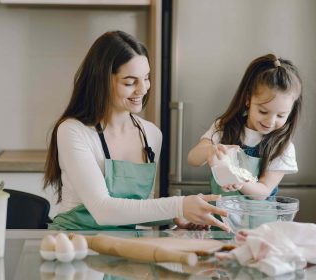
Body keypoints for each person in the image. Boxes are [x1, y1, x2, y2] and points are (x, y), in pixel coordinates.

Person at [44, 30, 229, 231]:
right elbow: (103, 210)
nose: (143, 89)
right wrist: (179, 205)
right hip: (74, 244)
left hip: (122, 247)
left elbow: (138, 209)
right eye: (130, 82)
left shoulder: (151, 135)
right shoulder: (73, 131)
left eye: (146, 78)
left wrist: (177, 216)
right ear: (102, 80)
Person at [188, 54, 302, 197]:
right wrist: (210, 151)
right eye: (263, 111)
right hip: (220, 216)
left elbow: (263, 192)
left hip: (260, 219)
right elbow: (193, 159)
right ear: (248, 100)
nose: (270, 121)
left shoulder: (283, 147)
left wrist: (239, 181)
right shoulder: (224, 128)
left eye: (281, 115)